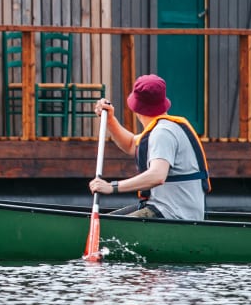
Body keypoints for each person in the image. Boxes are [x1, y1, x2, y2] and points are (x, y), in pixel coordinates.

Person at [88, 74, 208, 221]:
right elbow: (131, 144)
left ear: (136, 108)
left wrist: (112, 187)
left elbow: (157, 175)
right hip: (161, 207)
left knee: (108, 229)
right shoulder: (163, 128)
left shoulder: (163, 133)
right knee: (103, 222)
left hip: (174, 215)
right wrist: (110, 120)